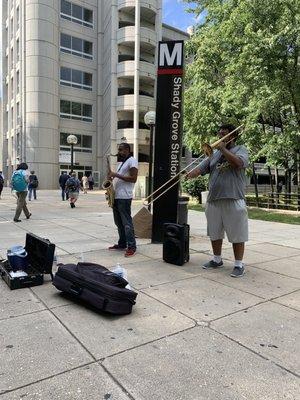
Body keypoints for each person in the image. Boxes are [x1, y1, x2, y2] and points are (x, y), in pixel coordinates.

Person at [187, 124, 249, 278]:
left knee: (237, 233)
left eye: (224, 134)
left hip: (233, 198)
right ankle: (217, 259)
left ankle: (239, 264)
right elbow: (200, 169)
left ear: (232, 136)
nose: (219, 136)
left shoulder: (240, 149)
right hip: (214, 200)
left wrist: (223, 149)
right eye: (219, 133)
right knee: (214, 232)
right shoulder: (213, 155)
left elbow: (238, 164)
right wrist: (188, 174)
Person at [108, 143, 138, 257]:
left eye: (121, 150)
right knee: (119, 223)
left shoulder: (132, 161)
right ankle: (122, 243)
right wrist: (111, 177)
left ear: (127, 150)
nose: (119, 152)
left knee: (126, 223)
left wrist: (115, 174)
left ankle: (132, 246)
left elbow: (133, 179)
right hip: (117, 197)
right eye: (119, 150)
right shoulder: (122, 163)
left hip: (124, 198)